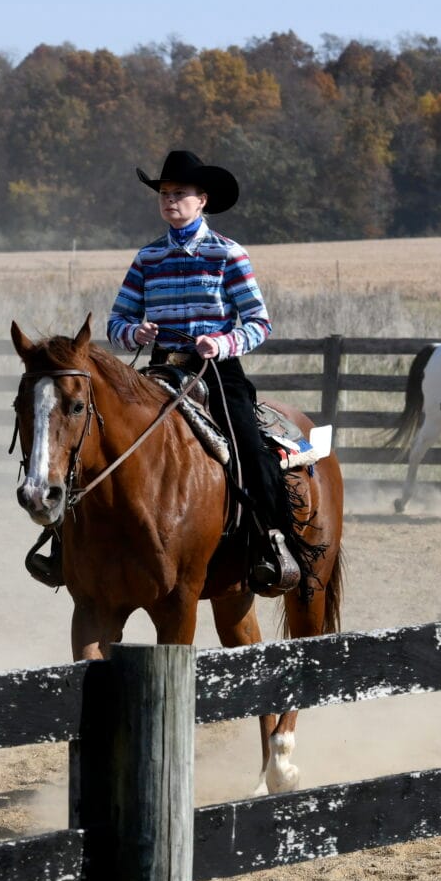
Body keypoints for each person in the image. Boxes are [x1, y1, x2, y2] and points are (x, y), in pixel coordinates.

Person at [105, 148, 315, 593]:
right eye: (164, 193)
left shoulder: (228, 254)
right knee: (104, 436)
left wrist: (221, 343)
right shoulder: (147, 258)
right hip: (158, 370)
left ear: (202, 200)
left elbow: (259, 323)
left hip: (216, 372)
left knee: (248, 445)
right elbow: (115, 322)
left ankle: (272, 542)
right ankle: (76, 545)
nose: (169, 201)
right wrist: (133, 333)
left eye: (179, 193)